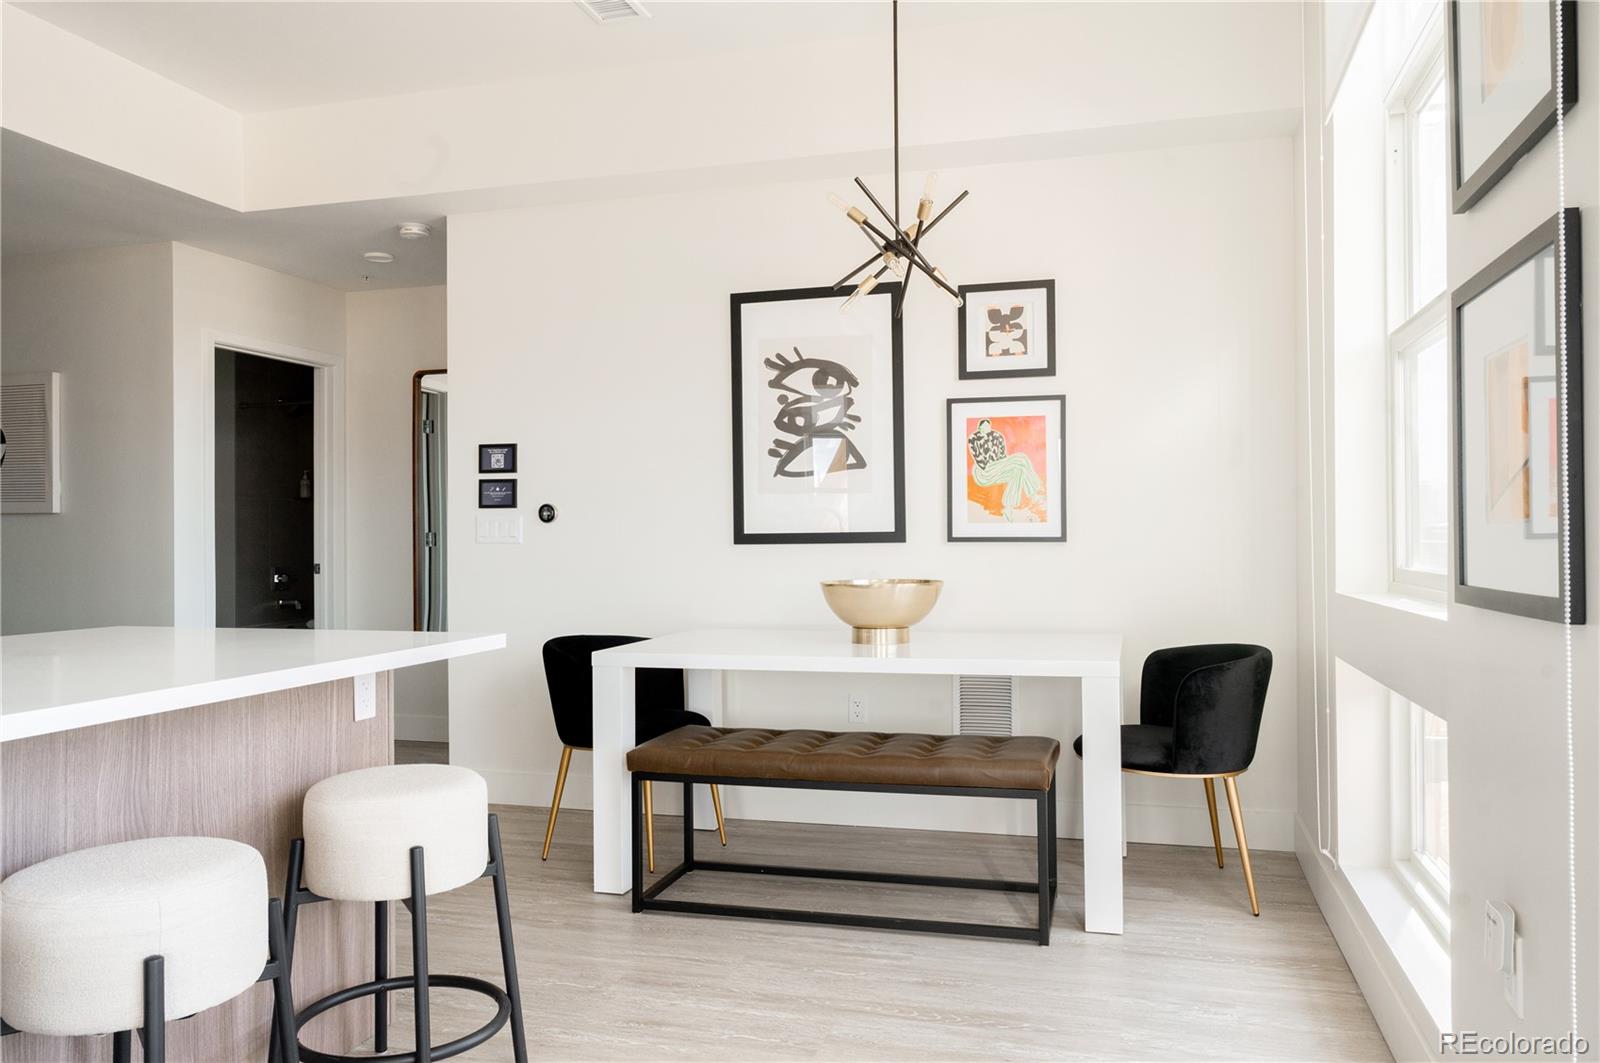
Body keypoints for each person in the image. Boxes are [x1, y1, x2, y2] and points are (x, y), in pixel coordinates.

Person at [968, 419, 1042, 521]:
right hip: (984, 472)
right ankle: (1033, 494)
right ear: (979, 427)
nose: (986, 428)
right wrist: (999, 464)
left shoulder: (997, 437)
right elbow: (981, 461)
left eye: (988, 426)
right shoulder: (974, 439)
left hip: (999, 468)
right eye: (984, 426)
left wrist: (1004, 465)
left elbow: (1002, 456)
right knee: (1021, 457)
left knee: (1018, 471)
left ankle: (1008, 508)